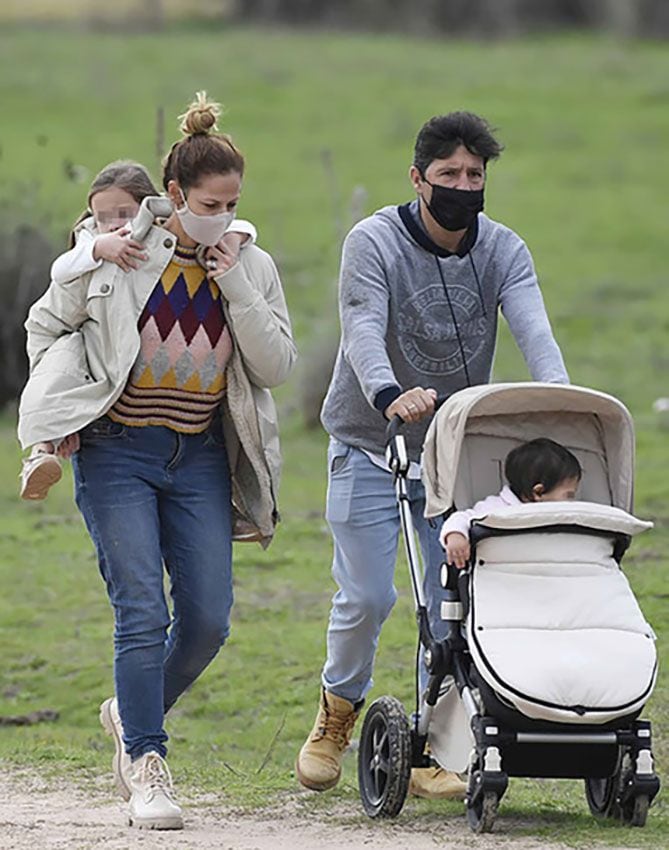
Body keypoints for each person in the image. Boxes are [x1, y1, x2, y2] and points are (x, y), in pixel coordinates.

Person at [20, 92, 296, 830]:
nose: (225, 213)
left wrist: (234, 276)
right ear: (173, 196)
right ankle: (147, 761)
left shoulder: (250, 263)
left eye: (234, 201)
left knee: (206, 620)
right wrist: (62, 410)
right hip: (117, 453)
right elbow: (45, 327)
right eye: (211, 202)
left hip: (201, 455)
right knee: (141, 610)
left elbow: (274, 367)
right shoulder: (121, 252)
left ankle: (127, 708)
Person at [296, 111, 569, 801]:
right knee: (365, 595)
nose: (461, 186)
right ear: (417, 179)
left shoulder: (503, 249)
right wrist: (389, 392)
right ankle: (335, 714)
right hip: (369, 437)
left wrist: (561, 400)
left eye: (473, 175)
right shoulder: (374, 242)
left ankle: (436, 738)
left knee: (446, 601)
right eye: (447, 175)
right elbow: (361, 322)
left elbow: (533, 328)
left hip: (451, 451)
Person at [19, 159, 258, 501]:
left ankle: (46, 446)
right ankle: (41, 451)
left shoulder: (171, 237)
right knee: (61, 363)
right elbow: (59, 273)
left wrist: (235, 235)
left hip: (191, 431)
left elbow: (237, 222)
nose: (113, 224)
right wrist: (98, 249)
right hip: (93, 381)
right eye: (102, 216)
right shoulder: (94, 244)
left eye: (124, 213)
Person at [441, 438, 582, 569]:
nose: (572, 503)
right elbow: (463, 518)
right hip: (506, 575)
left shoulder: (565, 516)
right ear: (538, 492)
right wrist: (455, 535)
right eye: (569, 495)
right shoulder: (497, 508)